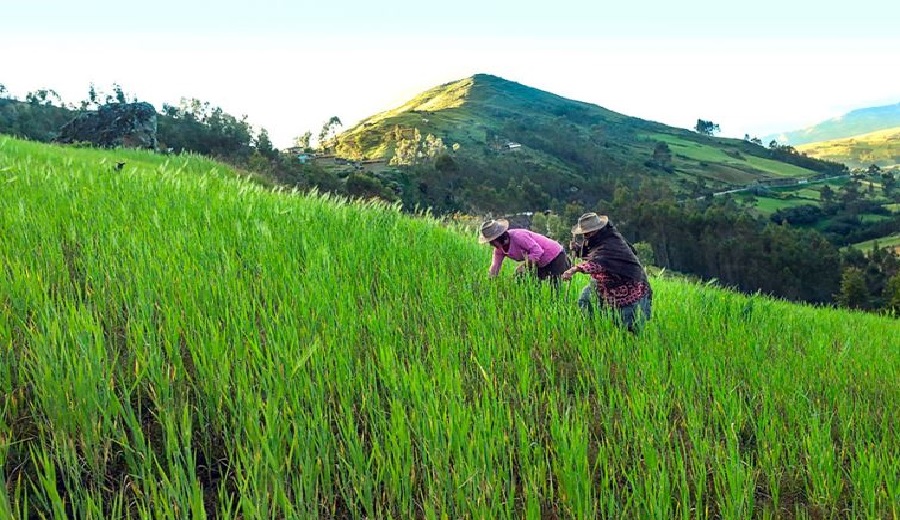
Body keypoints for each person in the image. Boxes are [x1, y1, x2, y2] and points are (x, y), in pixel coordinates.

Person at [561, 212, 652, 332]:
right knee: (585, 298)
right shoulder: (595, 240)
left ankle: (632, 342)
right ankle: (590, 329)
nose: (585, 236)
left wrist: (574, 269)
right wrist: (577, 249)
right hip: (604, 282)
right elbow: (592, 255)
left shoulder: (611, 242)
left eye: (587, 233)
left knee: (627, 321)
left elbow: (598, 263)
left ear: (597, 230)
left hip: (626, 283)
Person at [479, 218, 570, 286]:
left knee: (555, 288)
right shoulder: (499, 249)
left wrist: (524, 266)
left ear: (499, 237)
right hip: (538, 262)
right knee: (522, 279)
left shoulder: (518, 236)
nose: (491, 244)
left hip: (555, 256)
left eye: (492, 241)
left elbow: (537, 251)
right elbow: (495, 266)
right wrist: (490, 282)